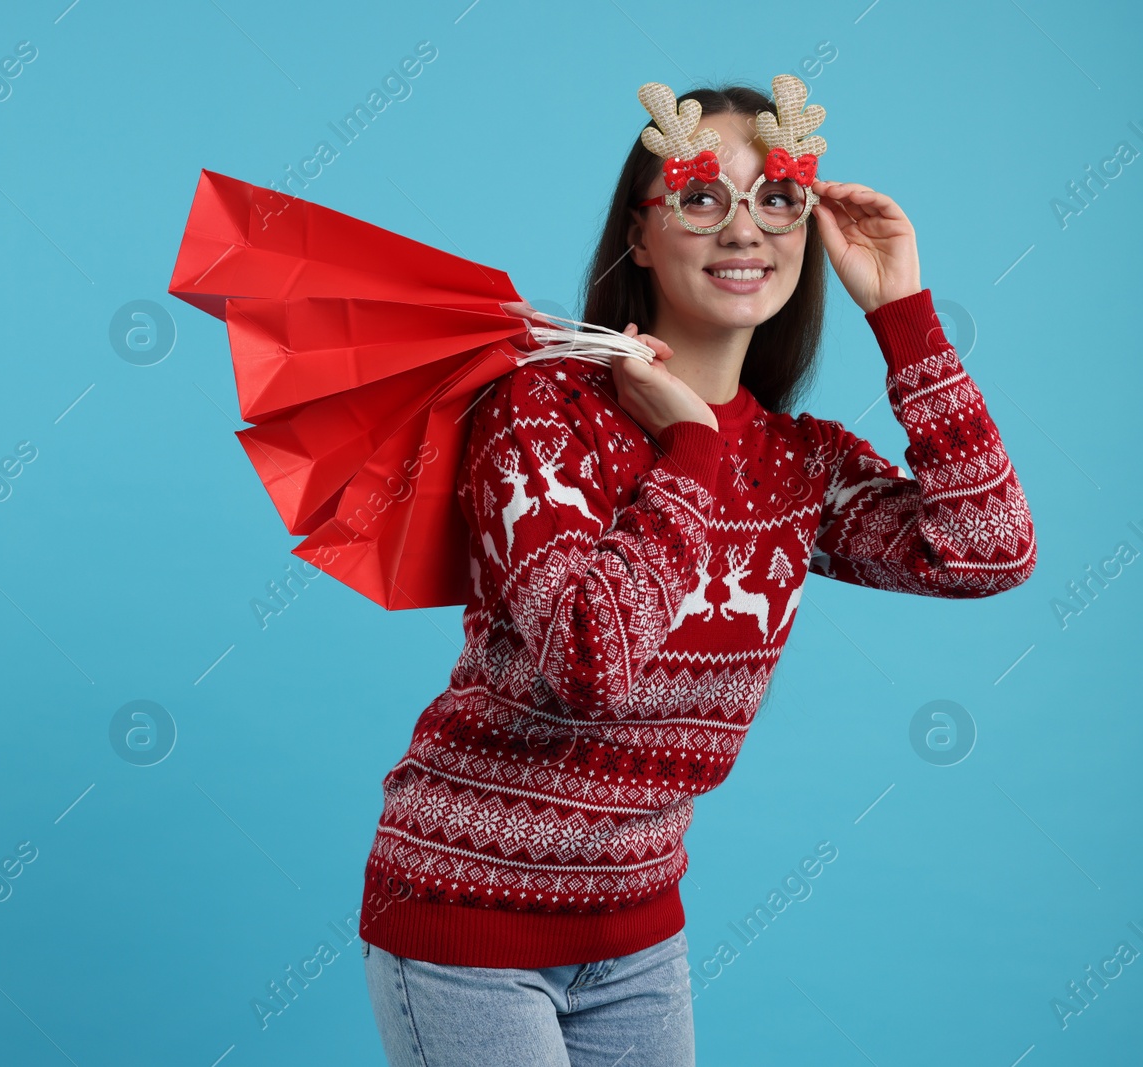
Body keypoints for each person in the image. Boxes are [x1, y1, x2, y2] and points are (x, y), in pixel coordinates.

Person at [357, 75, 1037, 1066]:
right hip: (466, 918)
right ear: (639, 232)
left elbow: (989, 550)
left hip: (636, 935)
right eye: (700, 195)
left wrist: (902, 313)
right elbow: (589, 659)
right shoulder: (542, 414)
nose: (743, 230)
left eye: (776, 199)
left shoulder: (799, 464)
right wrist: (691, 444)